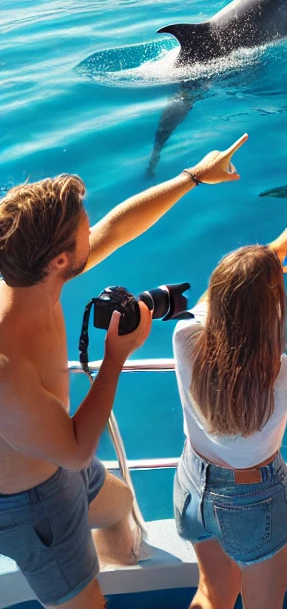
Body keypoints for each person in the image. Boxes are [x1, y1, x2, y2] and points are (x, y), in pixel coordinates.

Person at [0, 134, 247, 609]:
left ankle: (117, 573)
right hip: (34, 506)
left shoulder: (33, 277)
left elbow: (116, 228)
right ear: (58, 260)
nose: (91, 237)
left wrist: (193, 176)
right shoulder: (5, 366)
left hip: (61, 462)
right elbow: (73, 451)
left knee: (117, 514)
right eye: (82, 233)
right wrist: (115, 357)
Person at [171, 217, 287, 609]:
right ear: (274, 309)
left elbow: (212, 301)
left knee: (211, 594)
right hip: (253, 500)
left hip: (192, 485)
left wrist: (273, 250)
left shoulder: (184, 337)